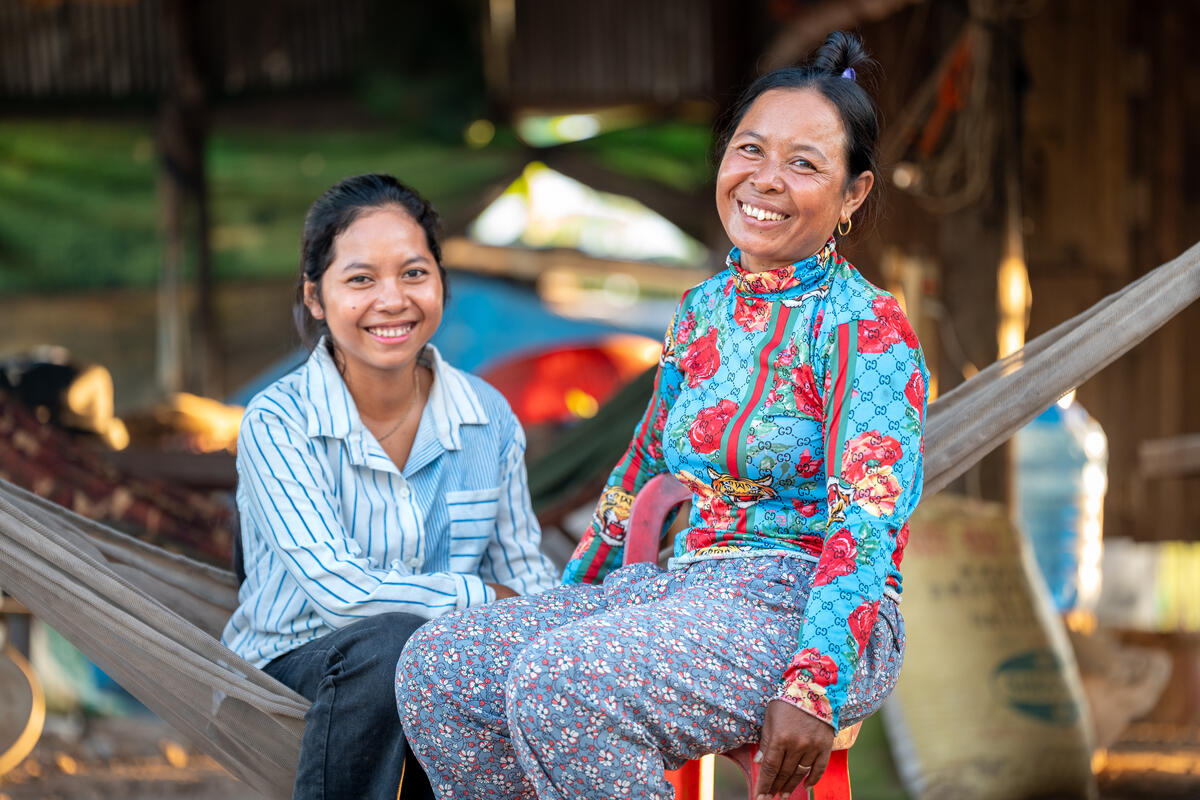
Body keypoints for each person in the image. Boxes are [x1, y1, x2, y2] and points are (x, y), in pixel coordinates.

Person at [397, 31, 928, 800]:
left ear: (853, 196)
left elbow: (871, 521)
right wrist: (574, 598)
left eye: (805, 163)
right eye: (750, 150)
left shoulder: (865, 328)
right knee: (438, 669)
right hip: (682, 592)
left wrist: (814, 684)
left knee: (563, 683)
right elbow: (643, 466)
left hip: (805, 608)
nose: (766, 180)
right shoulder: (703, 311)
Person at [221, 173, 558, 800]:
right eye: (359, 279)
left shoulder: (488, 417)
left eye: (412, 273)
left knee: (463, 669)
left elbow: (523, 571)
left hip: (435, 668)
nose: (392, 299)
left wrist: (553, 626)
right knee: (397, 645)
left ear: (440, 283)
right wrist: (483, 598)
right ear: (315, 299)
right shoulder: (279, 420)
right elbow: (341, 594)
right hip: (293, 665)